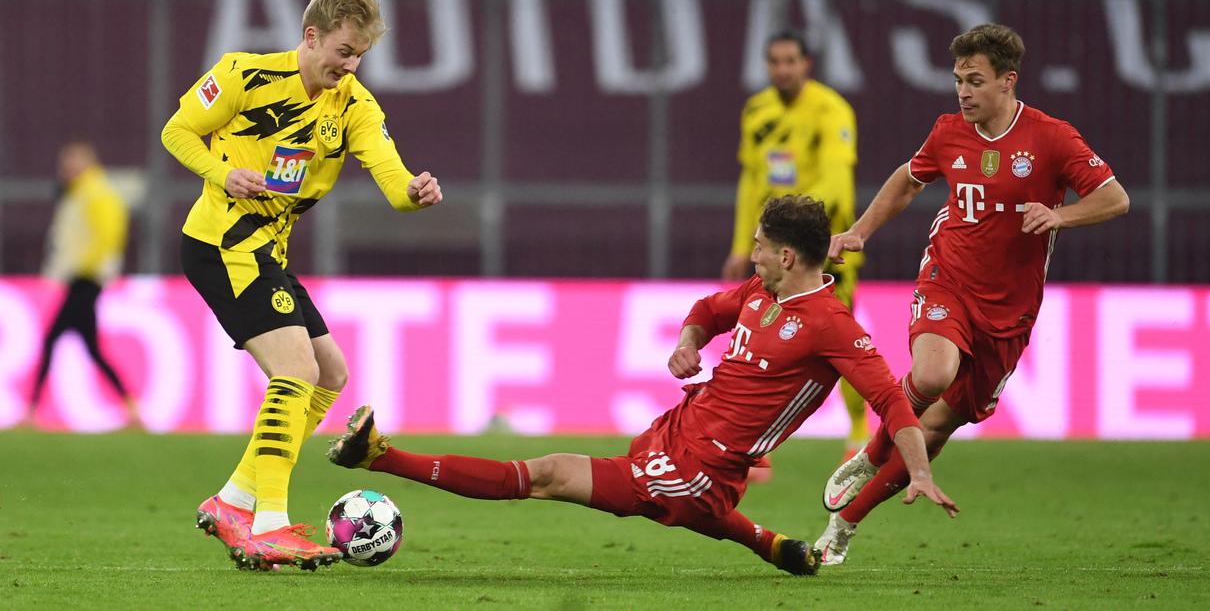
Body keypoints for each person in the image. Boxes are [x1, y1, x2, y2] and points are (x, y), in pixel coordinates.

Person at [329, 195, 958, 575]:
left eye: (761, 247)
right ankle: (774, 547)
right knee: (686, 510)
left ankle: (381, 454)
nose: (753, 254)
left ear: (790, 256)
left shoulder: (831, 326)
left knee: (545, 474)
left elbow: (894, 402)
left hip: (703, 470)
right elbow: (711, 310)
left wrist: (919, 469)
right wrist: (688, 343)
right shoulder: (760, 294)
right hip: (677, 433)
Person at [814, 23, 1130, 565]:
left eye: (975, 81)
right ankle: (870, 454)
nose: (963, 91)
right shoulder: (948, 133)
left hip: (1009, 310)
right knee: (932, 374)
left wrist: (1060, 215)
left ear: (1008, 82)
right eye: (958, 79)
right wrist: (860, 231)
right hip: (949, 276)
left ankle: (844, 524)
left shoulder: (1052, 138)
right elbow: (908, 180)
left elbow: (1115, 198)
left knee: (936, 428)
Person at [161, 0, 443, 571]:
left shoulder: (355, 107)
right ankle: (268, 524)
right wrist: (222, 173)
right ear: (312, 36)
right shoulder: (245, 74)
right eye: (344, 51)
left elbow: (393, 182)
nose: (351, 65)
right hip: (223, 243)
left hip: (267, 254)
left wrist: (416, 193)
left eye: (360, 55)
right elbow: (177, 132)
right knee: (297, 370)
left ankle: (233, 501)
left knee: (331, 374)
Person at [723, 29, 869, 476]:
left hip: (818, 247)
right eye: (775, 61)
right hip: (771, 249)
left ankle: (861, 431)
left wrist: (801, 230)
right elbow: (752, 180)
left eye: (791, 60)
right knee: (759, 336)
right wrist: (741, 243)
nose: (782, 69)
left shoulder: (831, 110)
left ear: (807, 63)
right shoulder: (757, 111)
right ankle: (754, 441)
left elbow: (836, 182)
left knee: (836, 342)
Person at [28, 142, 135, 426]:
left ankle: (32, 409)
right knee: (91, 349)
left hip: (86, 279)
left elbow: (107, 235)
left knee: (54, 340)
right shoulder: (83, 193)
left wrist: (87, 266)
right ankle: (131, 407)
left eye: (70, 163)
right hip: (83, 278)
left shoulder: (93, 193)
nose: (65, 170)